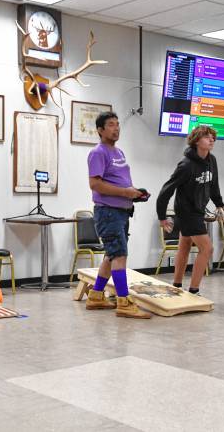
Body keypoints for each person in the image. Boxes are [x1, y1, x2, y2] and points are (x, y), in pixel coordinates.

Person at [85, 111, 150, 319]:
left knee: (111, 255)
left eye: (117, 124)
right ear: (100, 130)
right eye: (111, 125)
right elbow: (95, 184)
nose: (116, 128)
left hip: (122, 211)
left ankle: (95, 296)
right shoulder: (98, 152)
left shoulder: (119, 152)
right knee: (119, 255)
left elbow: (120, 181)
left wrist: (135, 194)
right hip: (108, 212)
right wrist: (125, 193)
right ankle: (124, 302)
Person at [155, 125, 224, 295]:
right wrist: (162, 217)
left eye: (213, 137)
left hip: (198, 210)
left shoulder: (212, 160)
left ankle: (176, 286)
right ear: (196, 141)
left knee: (185, 246)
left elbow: (213, 185)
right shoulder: (186, 165)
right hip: (186, 211)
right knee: (207, 249)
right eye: (207, 137)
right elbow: (166, 191)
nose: (211, 140)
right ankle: (194, 290)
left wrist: (219, 205)